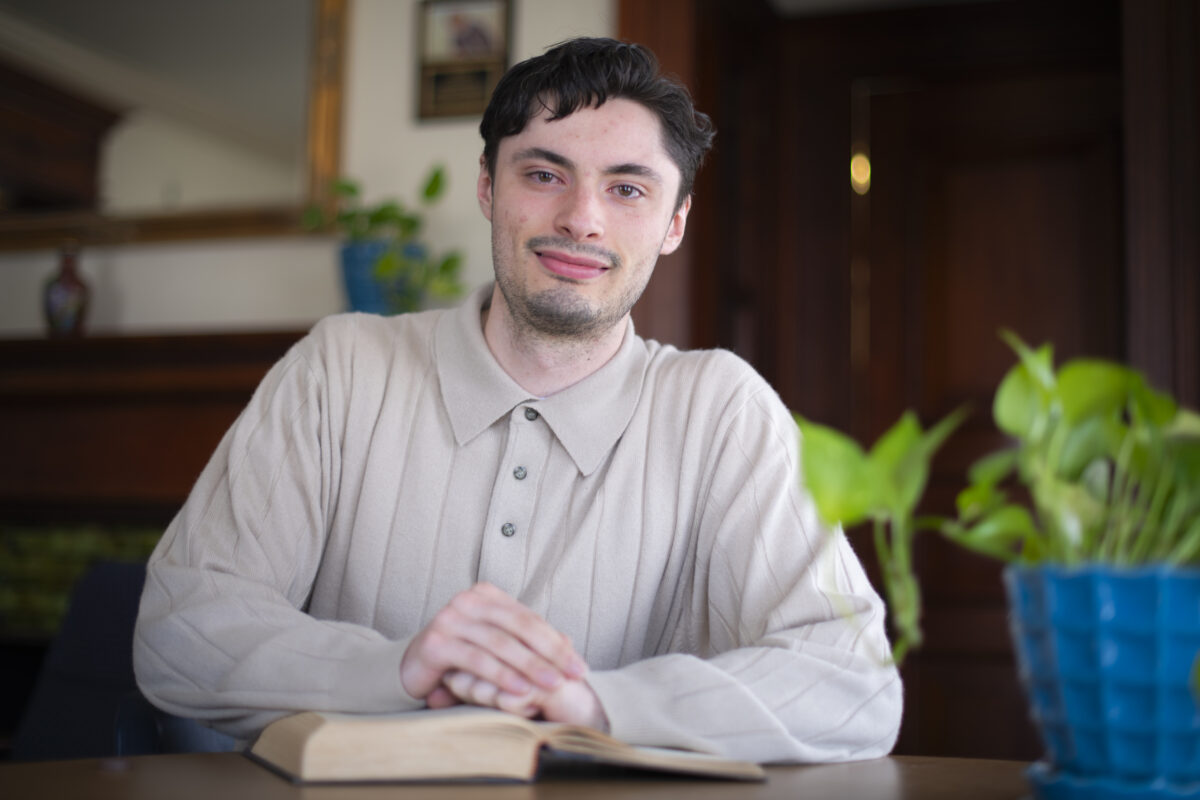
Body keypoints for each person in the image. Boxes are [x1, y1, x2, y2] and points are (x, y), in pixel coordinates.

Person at [133, 37, 901, 763]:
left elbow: (856, 685)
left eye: (627, 188)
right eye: (543, 174)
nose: (581, 218)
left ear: (674, 224)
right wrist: (400, 669)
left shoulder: (722, 409)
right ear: (487, 186)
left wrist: (591, 704)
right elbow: (179, 630)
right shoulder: (339, 368)